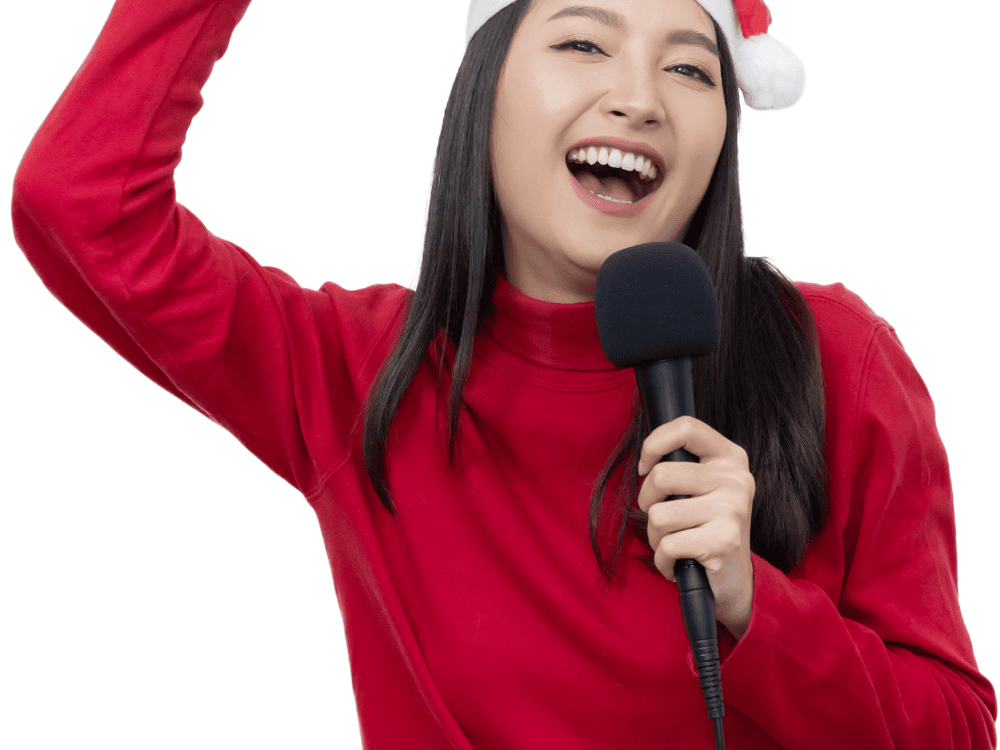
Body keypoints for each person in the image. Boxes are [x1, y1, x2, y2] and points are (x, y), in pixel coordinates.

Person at [10, 0, 997, 747]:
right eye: (581, 42)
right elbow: (80, 203)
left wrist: (753, 604)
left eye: (692, 70)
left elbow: (958, 728)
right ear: (483, 89)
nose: (639, 98)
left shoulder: (835, 356)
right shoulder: (359, 374)